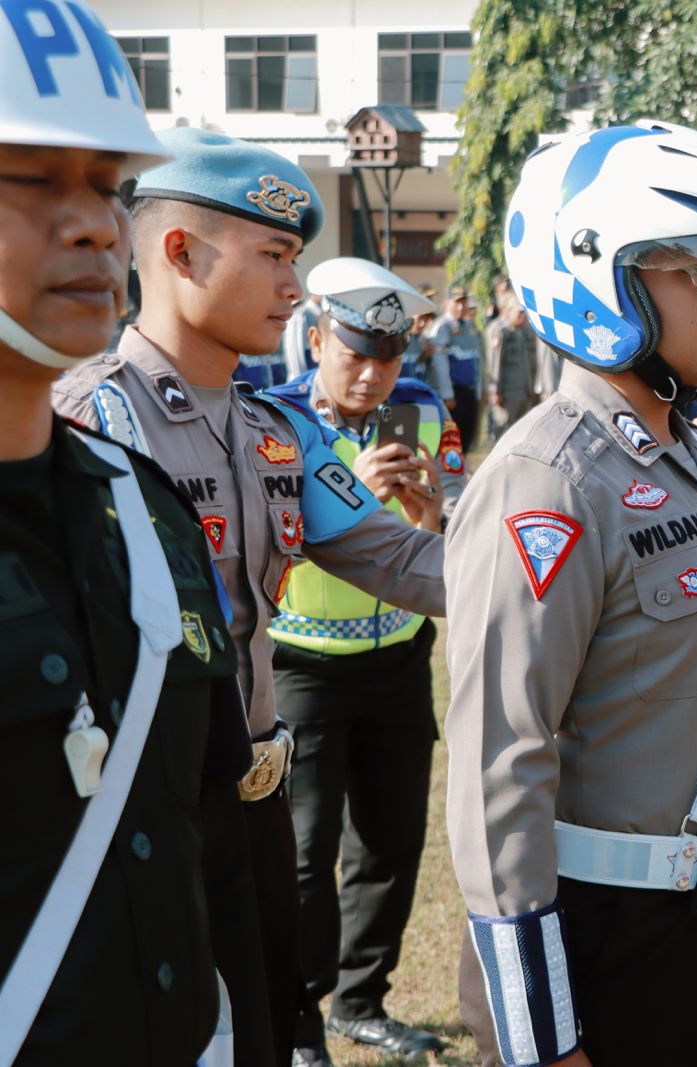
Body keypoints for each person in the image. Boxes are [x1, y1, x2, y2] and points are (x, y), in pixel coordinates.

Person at [53, 127, 448, 1067]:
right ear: (180, 254)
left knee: (267, 1030)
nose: (291, 287)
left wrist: (579, 573)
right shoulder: (89, 418)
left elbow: (400, 560)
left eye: (294, 260)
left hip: (256, 800)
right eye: (274, 257)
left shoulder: (278, 430)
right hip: (140, 816)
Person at [446, 119, 697, 1067]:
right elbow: (501, 760)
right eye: (695, 269)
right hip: (613, 938)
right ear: (599, 275)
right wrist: (538, 1036)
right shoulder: (548, 477)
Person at [0, 5, 262, 1061]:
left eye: (107, 184)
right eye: (33, 178)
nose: (96, 225)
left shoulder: (144, 509)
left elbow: (208, 838)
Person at [263, 258, 465, 1066]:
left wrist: (432, 512)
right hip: (302, 666)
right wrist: (352, 498)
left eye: (389, 357)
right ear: (316, 342)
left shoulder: (424, 410)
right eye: (356, 354)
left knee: (390, 838)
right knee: (305, 854)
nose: (374, 374)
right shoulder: (272, 420)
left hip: (398, 659)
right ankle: (298, 1018)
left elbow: (454, 539)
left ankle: (361, 998)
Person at [430, 286, 484, 453]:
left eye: (463, 302)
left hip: (470, 390)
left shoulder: (470, 327)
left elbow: (477, 359)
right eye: (456, 303)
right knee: (452, 439)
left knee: (468, 435)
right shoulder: (442, 327)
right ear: (448, 303)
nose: (460, 307)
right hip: (454, 392)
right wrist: (447, 394)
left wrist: (479, 390)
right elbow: (440, 363)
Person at [485, 295, 540, 440]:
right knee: (504, 433)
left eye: (524, 313)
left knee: (521, 435)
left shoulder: (523, 331)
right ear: (509, 311)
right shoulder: (501, 332)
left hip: (524, 392)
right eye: (519, 312)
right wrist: (495, 391)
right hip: (508, 395)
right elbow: (495, 365)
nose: (523, 316)